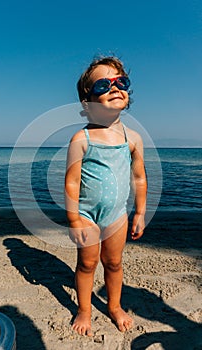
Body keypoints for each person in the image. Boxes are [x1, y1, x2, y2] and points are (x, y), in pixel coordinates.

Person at [64, 55, 147, 336]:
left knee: (113, 262)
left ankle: (114, 306)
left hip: (117, 214)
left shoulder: (133, 138)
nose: (114, 88)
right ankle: (84, 309)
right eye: (103, 85)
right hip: (86, 214)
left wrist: (140, 213)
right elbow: (72, 183)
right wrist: (74, 219)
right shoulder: (81, 139)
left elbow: (139, 177)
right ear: (87, 104)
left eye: (120, 82)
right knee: (87, 263)